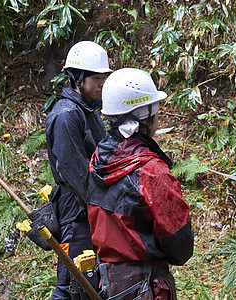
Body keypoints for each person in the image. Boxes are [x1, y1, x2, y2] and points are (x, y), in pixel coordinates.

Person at [86, 68, 194, 299]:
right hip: (146, 285)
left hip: (107, 281)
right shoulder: (151, 172)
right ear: (144, 116)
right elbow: (180, 243)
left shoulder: (97, 160)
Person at [45, 40, 112, 299]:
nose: (101, 84)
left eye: (103, 78)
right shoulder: (66, 116)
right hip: (76, 215)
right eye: (96, 78)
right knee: (72, 283)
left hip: (92, 211)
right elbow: (77, 176)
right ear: (77, 78)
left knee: (90, 282)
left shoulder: (89, 111)